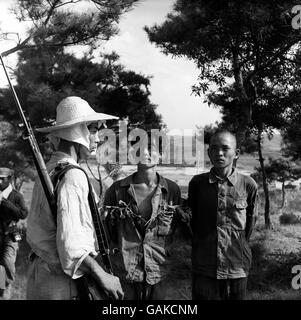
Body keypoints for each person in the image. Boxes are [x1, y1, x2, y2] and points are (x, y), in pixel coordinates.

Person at [26, 96, 124, 300]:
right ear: (79, 132)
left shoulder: (49, 170)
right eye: (94, 130)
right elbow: (72, 245)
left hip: (41, 277)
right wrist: (103, 276)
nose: (97, 138)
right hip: (62, 284)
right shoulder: (73, 175)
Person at [103, 135, 183, 300]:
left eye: (151, 149)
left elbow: (175, 228)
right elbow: (107, 232)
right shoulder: (117, 190)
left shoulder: (172, 190)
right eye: (138, 150)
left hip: (159, 270)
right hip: (125, 272)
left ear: (160, 155)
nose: (144, 153)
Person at [188, 130, 258, 300]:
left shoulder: (248, 184)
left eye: (225, 148)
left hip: (237, 265)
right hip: (204, 265)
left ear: (236, 153)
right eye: (214, 148)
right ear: (208, 152)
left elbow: (250, 224)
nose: (219, 153)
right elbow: (192, 223)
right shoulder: (197, 184)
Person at [0, 167, 28, 299]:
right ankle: (2, 291)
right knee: (0, 266)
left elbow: (23, 214)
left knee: (7, 262)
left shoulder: (17, 196)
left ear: (9, 179)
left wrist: (5, 203)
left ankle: (6, 286)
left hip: (11, 235)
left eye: (2, 179)